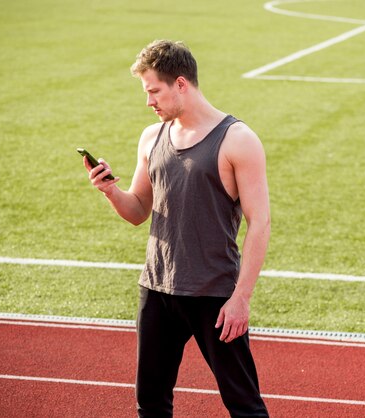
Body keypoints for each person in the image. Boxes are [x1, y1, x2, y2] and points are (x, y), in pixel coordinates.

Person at [83, 40, 270, 417]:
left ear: (180, 84)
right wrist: (109, 190)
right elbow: (137, 211)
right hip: (157, 289)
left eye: (154, 91)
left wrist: (242, 297)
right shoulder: (151, 137)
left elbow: (260, 223)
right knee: (150, 403)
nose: (149, 101)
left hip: (213, 295)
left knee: (244, 406)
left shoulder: (238, 140)